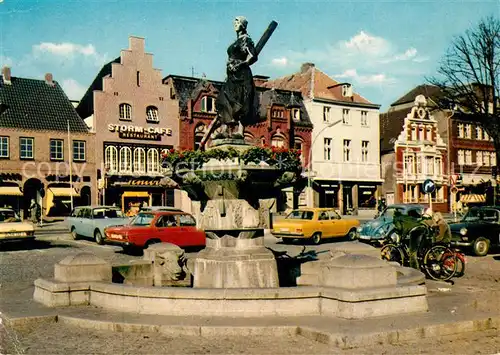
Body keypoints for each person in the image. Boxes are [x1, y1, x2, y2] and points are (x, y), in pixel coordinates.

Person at [215, 16, 258, 137]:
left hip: (242, 75)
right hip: (231, 75)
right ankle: (225, 129)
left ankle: (240, 131)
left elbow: (253, 56)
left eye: (238, 21)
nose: (235, 23)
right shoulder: (236, 41)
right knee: (223, 99)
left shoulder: (246, 40)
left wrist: (241, 64)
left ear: (243, 25)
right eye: (234, 21)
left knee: (241, 100)